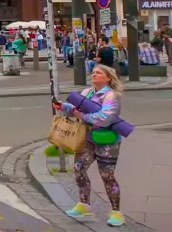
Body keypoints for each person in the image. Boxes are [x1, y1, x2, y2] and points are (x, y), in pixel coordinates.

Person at [53, 64, 126, 227]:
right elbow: (75, 108)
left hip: (107, 141)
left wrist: (83, 116)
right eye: (93, 72)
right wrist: (63, 107)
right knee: (79, 168)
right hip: (87, 139)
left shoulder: (112, 96)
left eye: (98, 73)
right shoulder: (87, 92)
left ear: (108, 77)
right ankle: (84, 205)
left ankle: (116, 213)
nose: (94, 74)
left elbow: (105, 118)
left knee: (107, 176)